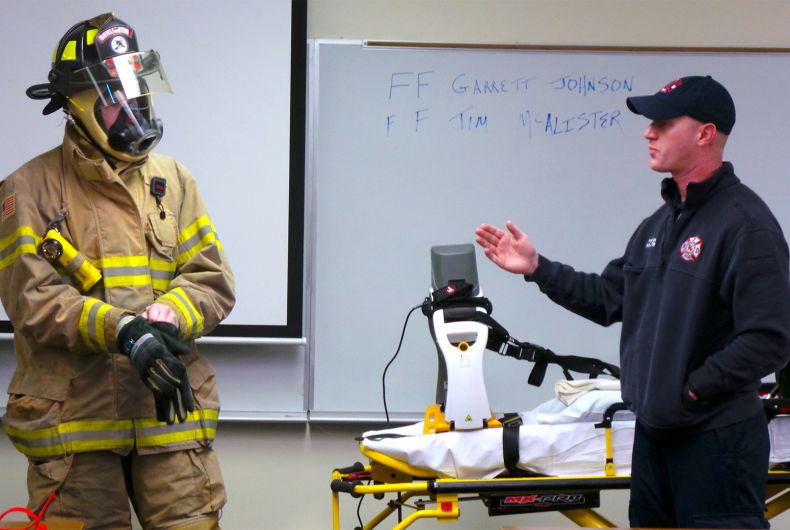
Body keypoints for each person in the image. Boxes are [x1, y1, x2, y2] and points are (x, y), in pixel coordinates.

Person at [475, 75, 790, 528]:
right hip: (655, 440)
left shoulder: (746, 225)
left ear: (704, 134)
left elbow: (769, 339)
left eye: (662, 122)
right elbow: (607, 298)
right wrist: (537, 268)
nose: (648, 132)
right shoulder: (657, 225)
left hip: (716, 441)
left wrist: (690, 391)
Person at [0, 13, 235, 530]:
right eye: (114, 96)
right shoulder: (27, 189)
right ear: (80, 106)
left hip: (168, 420)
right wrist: (125, 330)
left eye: (137, 89)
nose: (132, 107)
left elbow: (211, 279)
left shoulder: (174, 180)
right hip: (75, 429)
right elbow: (32, 300)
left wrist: (169, 315)